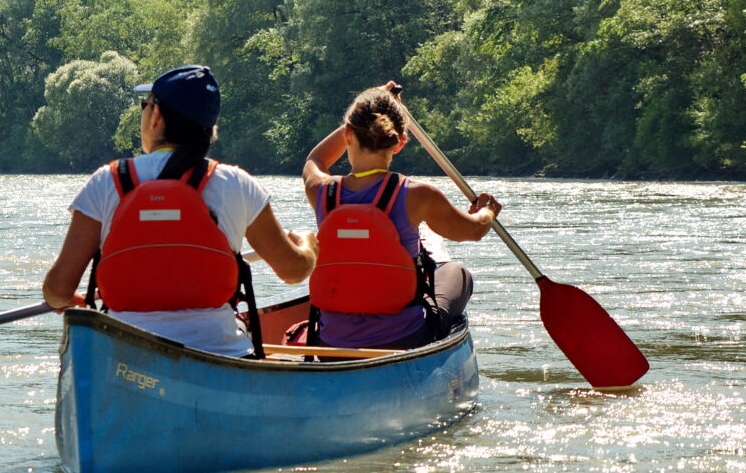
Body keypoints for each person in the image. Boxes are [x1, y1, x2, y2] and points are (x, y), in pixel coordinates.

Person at [41, 64, 314, 356]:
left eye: (144, 106)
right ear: (210, 130)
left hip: (122, 353)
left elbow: (57, 290)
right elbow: (293, 271)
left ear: (155, 116)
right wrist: (309, 243)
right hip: (222, 354)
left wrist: (70, 299)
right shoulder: (237, 183)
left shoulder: (106, 181)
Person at [295, 86, 501, 349]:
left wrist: (369, 104)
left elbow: (316, 159)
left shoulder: (322, 191)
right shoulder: (419, 195)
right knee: (458, 273)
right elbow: (473, 231)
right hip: (403, 339)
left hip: (330, 343)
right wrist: (487, 211)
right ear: (400, 142)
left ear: (347, 135)